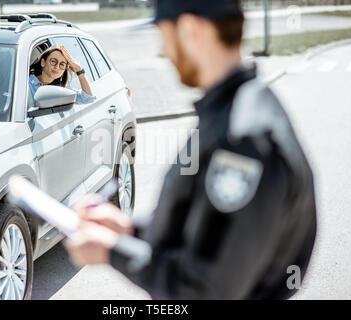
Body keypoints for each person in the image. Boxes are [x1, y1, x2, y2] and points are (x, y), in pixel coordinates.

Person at [64, 0, 317, 299]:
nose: (165, 51)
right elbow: (205, 225)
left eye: (164, 35)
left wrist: (112, 252)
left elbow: (206, 289)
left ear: (190, 30)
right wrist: (129, 230)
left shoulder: (242, 140)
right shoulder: (239, 106)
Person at [29, 45, 95, 106]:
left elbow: (88, 98)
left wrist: (78, 69)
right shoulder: (26, 83)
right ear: (43, 62)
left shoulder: (61, 91)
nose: (57, 67)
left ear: (64, 71)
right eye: (53, 61)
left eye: (62, 64)